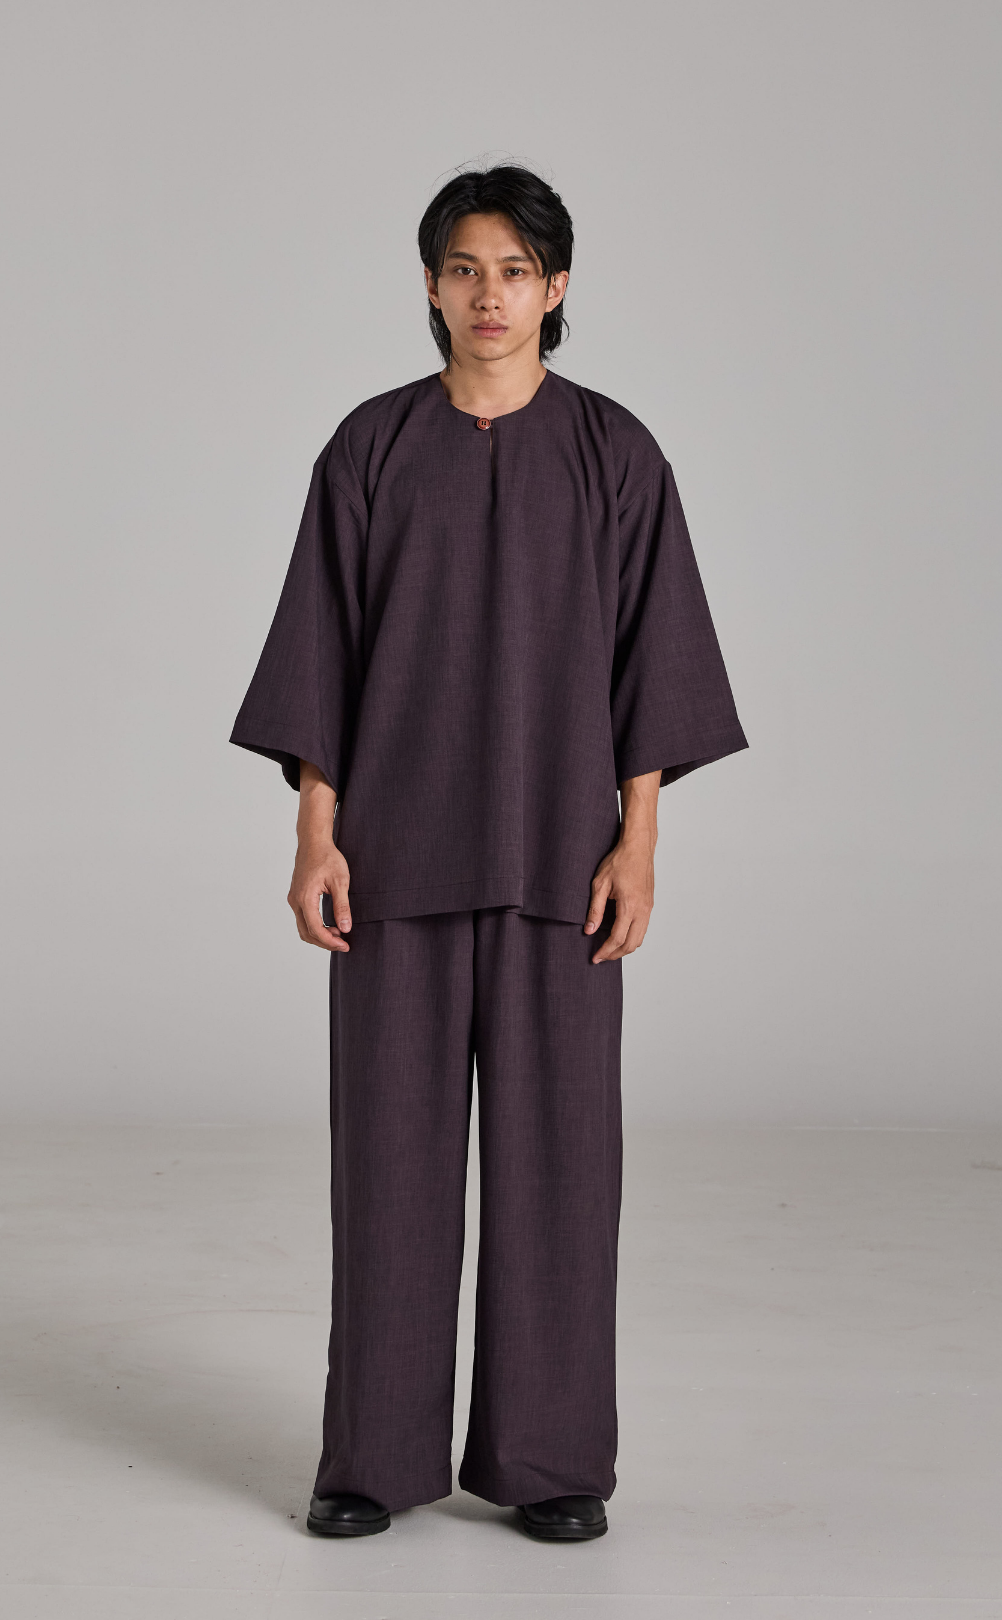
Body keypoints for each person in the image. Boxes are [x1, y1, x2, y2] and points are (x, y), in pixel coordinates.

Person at [230, 164, 747, 1542]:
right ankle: (372, 1459)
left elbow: (655, 662)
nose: (490, 295)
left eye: (516, 271)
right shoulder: (371, 448)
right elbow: (323, 652)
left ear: (557, 288)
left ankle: (552, 1458)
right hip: (392, 863)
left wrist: (640, 842)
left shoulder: (616, 454)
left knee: (564, 1168)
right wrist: (314, 832)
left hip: (561, 868)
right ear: (430, 284)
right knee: (386, 1170)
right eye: (464, 268)